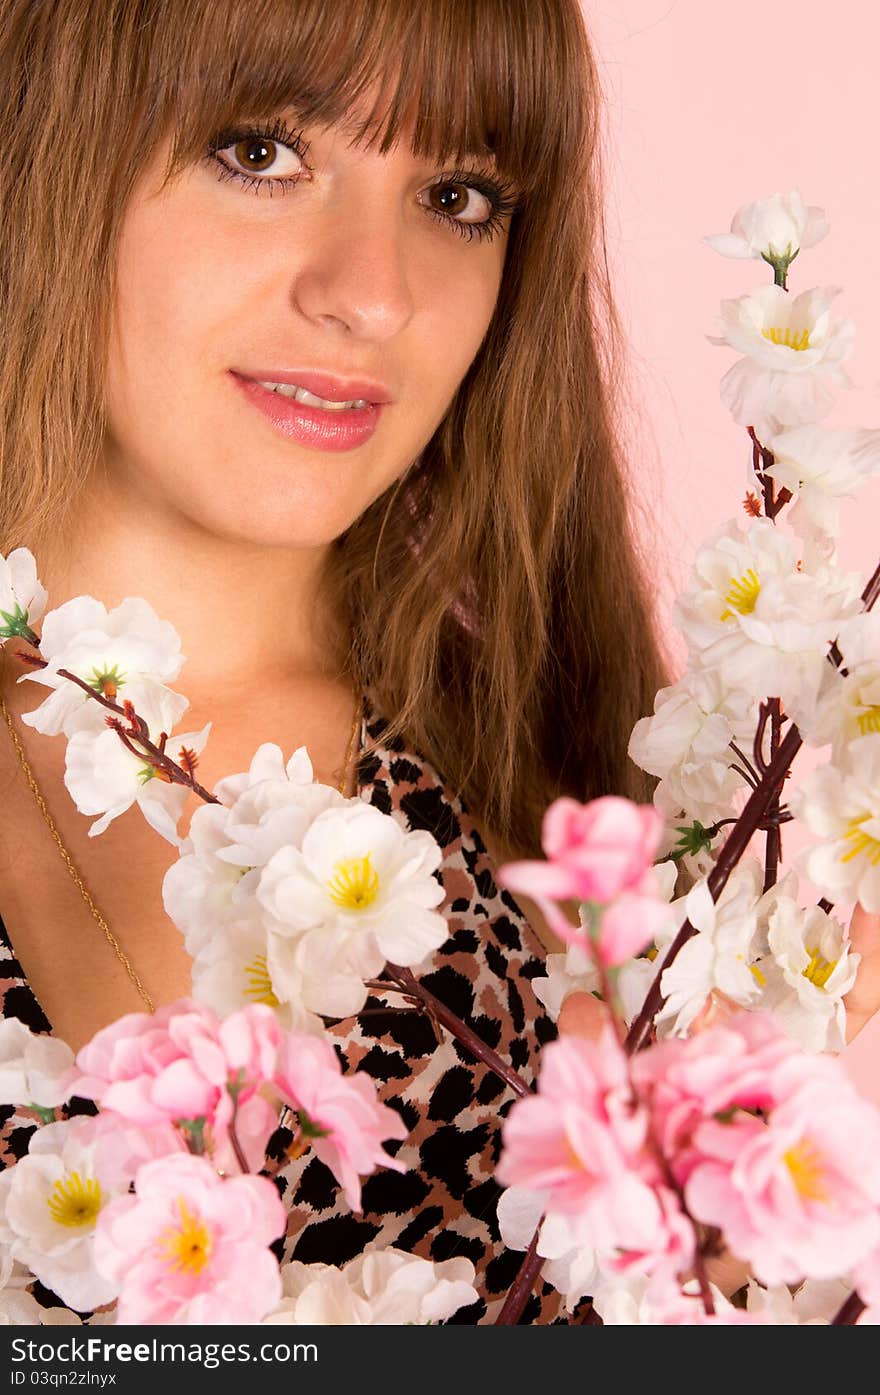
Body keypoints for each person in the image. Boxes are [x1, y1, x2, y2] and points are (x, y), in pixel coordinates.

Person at [3, 0, 874, 1326]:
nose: (371, 294)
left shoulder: (583, 834)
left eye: (459, 194)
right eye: (259, 152)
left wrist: (712, 1283)